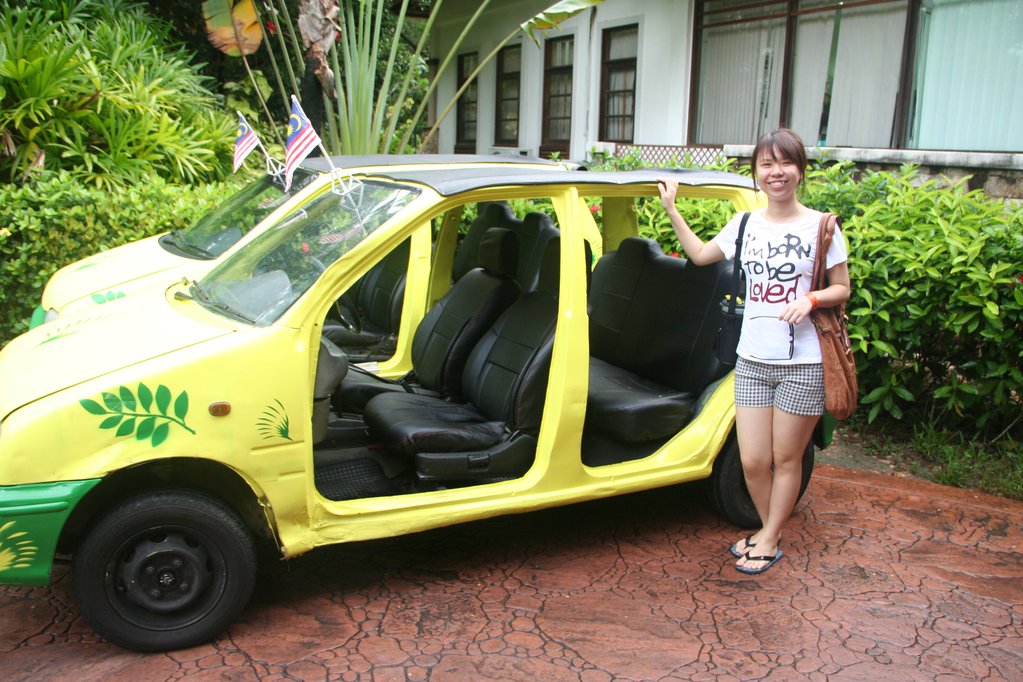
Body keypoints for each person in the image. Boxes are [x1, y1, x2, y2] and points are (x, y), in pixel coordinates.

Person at [658, 128, 850, 575]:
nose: (776, 172)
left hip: (802, 363)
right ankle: (768, 530)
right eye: (767, 164)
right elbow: (701, 255)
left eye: (785, 163)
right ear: (756, 173)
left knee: (786, 458)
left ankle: (769, 537)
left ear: (800, 170)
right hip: (751, 360)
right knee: (752, 460)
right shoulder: (745, 224)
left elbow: (841, 287)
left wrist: (811, 299)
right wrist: (672, 210)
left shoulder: (822, 226)